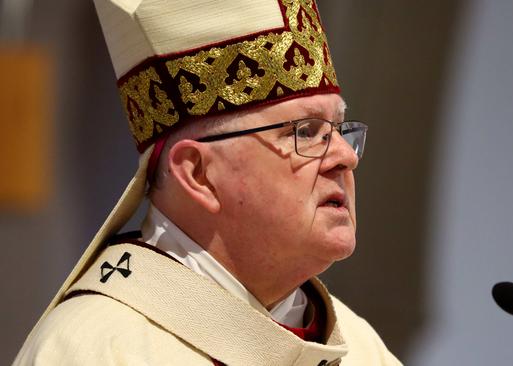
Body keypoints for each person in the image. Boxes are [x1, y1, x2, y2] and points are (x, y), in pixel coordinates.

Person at [13, 0, 401, 365]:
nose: (346, 157)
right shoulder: (96, 350)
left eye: (338, 129)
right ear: (198, 174)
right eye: (306, 132)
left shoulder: (362, 348)